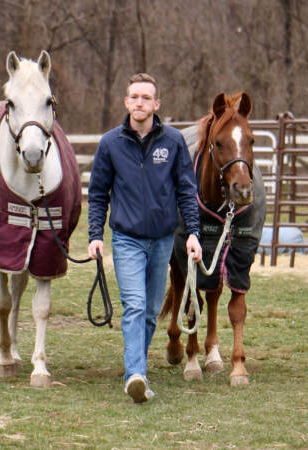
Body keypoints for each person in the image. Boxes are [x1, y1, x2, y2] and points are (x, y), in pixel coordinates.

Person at [87, 73, 202, 404]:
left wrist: (193, 233)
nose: (139, 102)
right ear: (126, 102)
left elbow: (186, 189)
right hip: (127, 239)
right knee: (135, 305)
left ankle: (135, 368)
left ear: (156, 104)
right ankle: (135, 374)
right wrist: (96, 235)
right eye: (134, 97)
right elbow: (97, 194)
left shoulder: (173, 142)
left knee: (151, 310)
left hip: (163, 240)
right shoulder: (110, 144)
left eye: (145, 97)